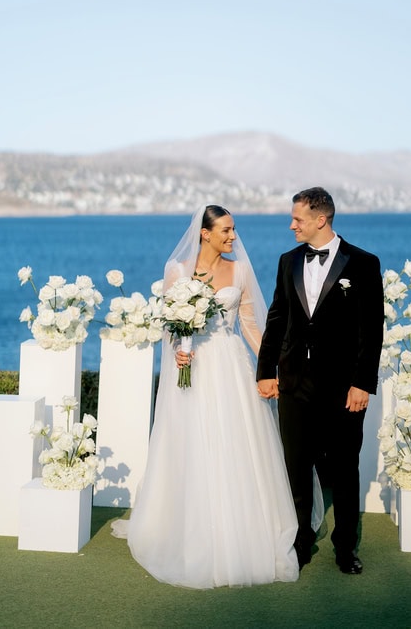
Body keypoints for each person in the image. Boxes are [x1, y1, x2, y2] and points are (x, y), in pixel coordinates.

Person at [113, 205, 302, 588]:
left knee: (237, 448)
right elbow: (168, 327)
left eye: (234, 230)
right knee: (193, 447)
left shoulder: (241, 271)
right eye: (227, 230)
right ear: (205, 233)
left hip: (231, 369)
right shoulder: (177, 273)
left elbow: (250, 326)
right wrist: (179, 349)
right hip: (193, 370)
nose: (233, 237)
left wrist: (271, 369)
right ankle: (191, 533)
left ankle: (242, 535)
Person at [257, 187, 384, 575]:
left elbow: (371, 331)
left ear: (321, 219)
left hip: (344, 387)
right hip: (295, 383)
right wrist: (265, 371)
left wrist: (362, 384)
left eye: (297, 219)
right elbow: (278, 317)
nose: (291, 224)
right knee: (295, 467)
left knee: (345, 469)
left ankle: (346, 548)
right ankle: (299, 544)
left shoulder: (363, 263)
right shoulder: (287, 261)